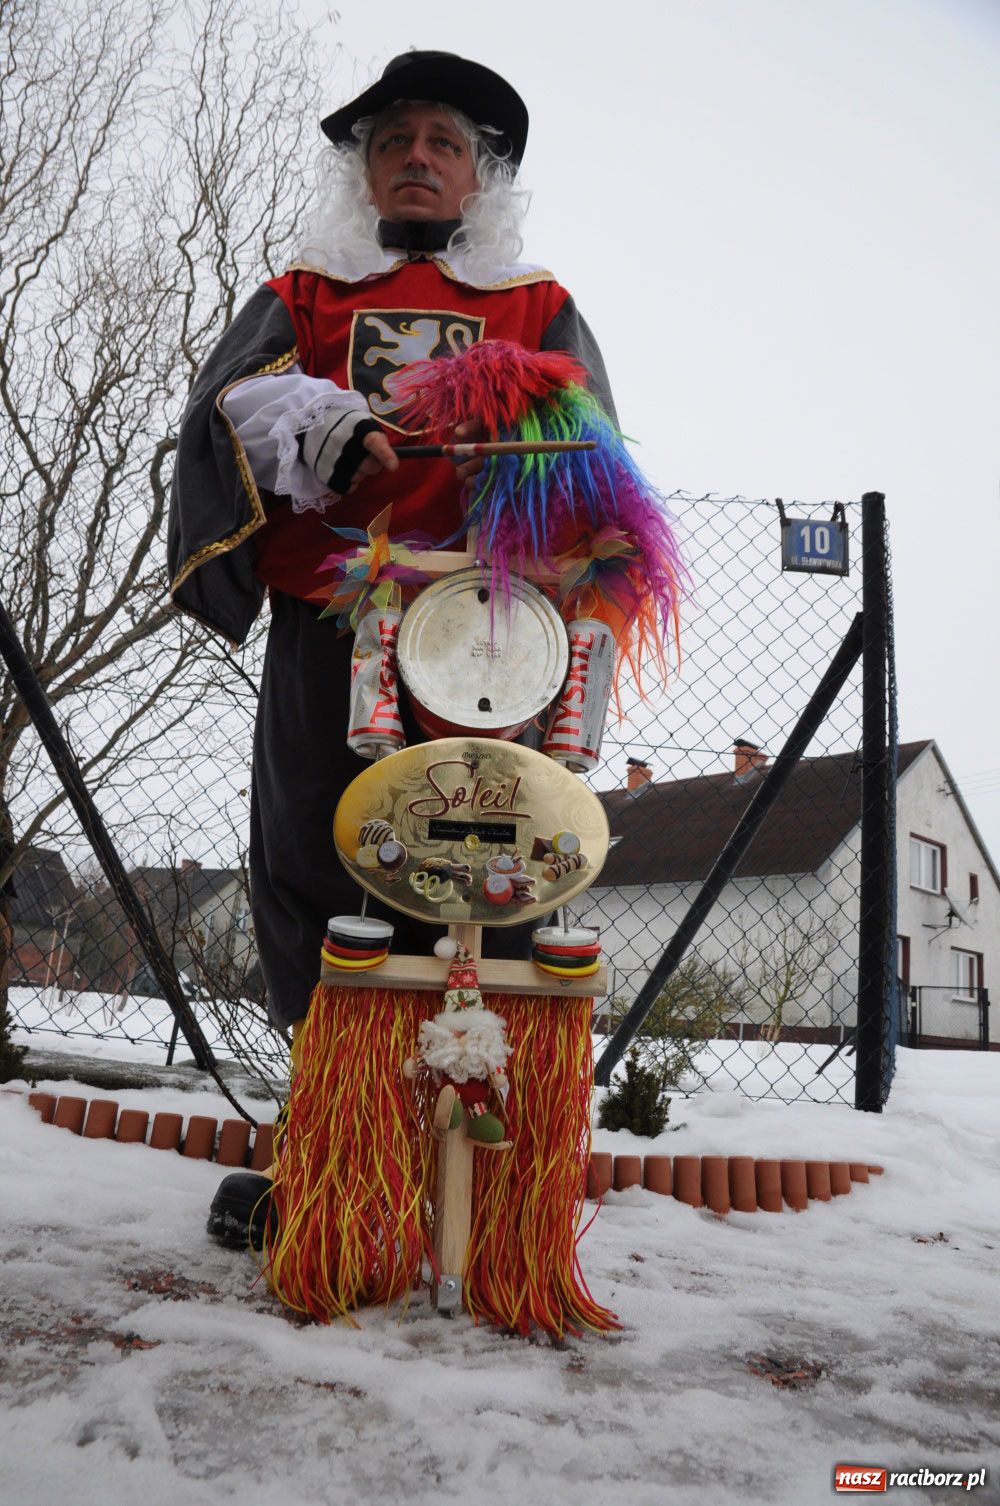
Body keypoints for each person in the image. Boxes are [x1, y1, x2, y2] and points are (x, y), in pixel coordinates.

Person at [166, 50, 616, 1246]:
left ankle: (475, 1173)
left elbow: (594, 469)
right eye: (394, 140)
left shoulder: (538, 306)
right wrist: (332, 421)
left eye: (443, 142)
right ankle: (331, 1149)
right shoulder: (304, 292)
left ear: (479, 177)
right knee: (319, 864)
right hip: (334, 627)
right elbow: (230, 406)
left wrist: (582, 586)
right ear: (364, 168)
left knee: (491, 876)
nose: (417, 158)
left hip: (496, 640)